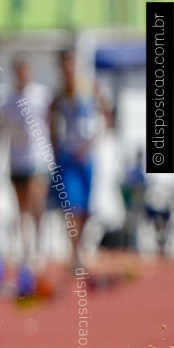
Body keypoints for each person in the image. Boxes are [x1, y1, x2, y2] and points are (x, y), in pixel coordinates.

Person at [0, 55, 52, 295]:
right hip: (16, 161)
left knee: (37, 205)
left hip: (37, 159)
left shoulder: (42, 96)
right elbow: (0, 127)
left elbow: (52, 122)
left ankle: (38, 249)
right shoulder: (7, 99)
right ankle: (25, 250)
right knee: (21, 208)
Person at [50, 50, 107, 273]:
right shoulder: (59, 93)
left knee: (85, 208)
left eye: (72, 65)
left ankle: (80, 248)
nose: (69, 70)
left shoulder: (91, 87)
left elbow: (105, 118)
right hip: (68, 156)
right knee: (70, 206)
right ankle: (73, 254)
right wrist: (55, 149)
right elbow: (51, 123)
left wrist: (91, 143)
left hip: (88, 156)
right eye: (65, 66)